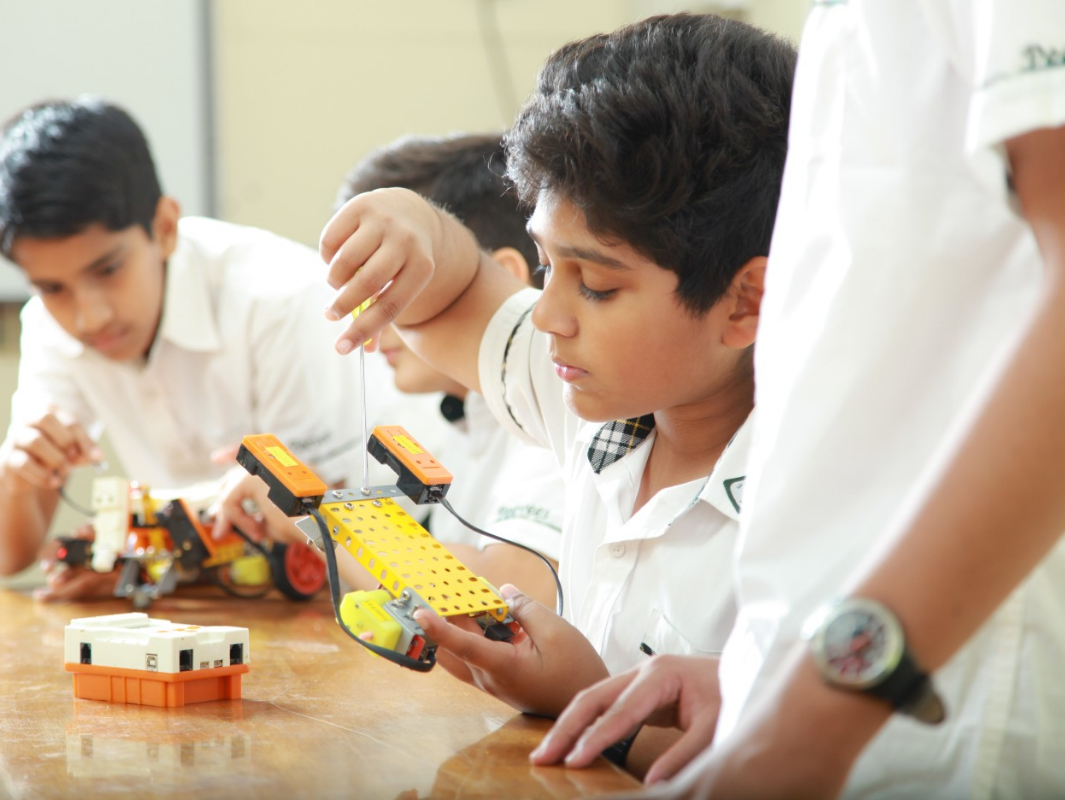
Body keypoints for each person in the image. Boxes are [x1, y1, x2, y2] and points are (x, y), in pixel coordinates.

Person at [531, 1, 1065, 797]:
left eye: (599, 286)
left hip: (921, 731)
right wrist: (756, 680)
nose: (546, 316)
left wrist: (816, 716)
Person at [318, 14, 795, 778]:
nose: (546, 315)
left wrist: (584, 699)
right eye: (544, 265)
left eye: (596, 285)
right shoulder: (606, 394)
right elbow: (456, 296)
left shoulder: (807, 506)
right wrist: (415, 224)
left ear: (746, 303)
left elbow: (788, 768)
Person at [0, 97, 365, 600]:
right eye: (51, 287)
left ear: (164, 227)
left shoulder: (280, 300)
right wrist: (9, 477)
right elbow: (8, 557)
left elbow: (317, 528)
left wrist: (148, 566)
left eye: (107, 270)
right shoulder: (51, 326)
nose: (90, 317)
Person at [335, 132, 564, 609]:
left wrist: (317, 520)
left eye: (388, 283)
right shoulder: (462, 419)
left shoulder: (550, 412)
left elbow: (510, 592)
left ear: (505, 277)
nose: (369, 318)